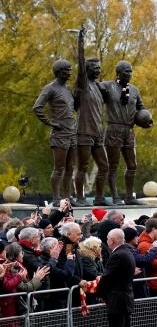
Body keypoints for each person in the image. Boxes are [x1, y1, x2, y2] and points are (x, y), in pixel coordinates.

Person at [81, 228, 135, 327]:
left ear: (112, 241)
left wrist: (100, 294)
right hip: (124, 298)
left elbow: (106, 279)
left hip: (117, 300)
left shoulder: (117, 255)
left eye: (108, 239)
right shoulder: (127, 252)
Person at [99, 61, 148, 205]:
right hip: (114, 129)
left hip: (129, 130)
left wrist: (145, 118)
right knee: (112, 165)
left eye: (131, 71)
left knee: (132, 165)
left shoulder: (134, 90)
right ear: (118, 72)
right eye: (126, 71)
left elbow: (141, 108)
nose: (130, 74)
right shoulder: (108, 86)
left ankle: (129, 196)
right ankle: (115, 196)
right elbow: (91, 91)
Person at [72, 27, 109, 207]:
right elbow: (80, 62)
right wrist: (80, 40)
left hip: (97, 133)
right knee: (83, 167)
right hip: (84, 132)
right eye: (95, 68)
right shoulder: (84, 83)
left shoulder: (98, 87)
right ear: (88, 70)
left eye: (99, 68)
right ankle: (79, 198)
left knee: (104, 166)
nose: (98, 70)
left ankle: (100, 197)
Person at [32, 58, 77, 203]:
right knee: (59, 168)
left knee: (70, 168)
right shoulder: (50, 88)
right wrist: (50, 122)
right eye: (67, 70)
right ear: (59, 72)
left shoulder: (68, 89)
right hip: (59, 133)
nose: (70, 73)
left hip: (72, 132)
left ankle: (67, 197)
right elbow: (37, 107)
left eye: (70, 70)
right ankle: (57, 197)